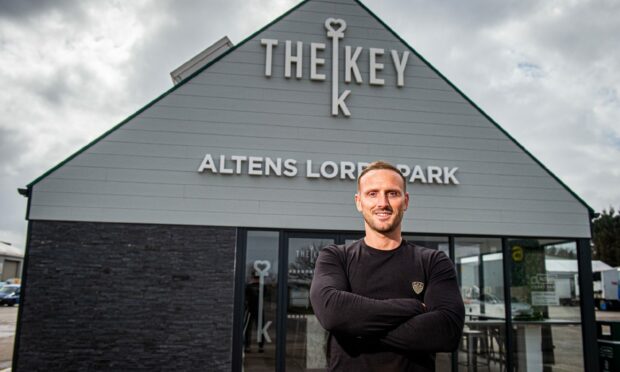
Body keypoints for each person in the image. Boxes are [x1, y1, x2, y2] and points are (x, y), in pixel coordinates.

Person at [309, 161, 464, 371]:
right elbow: (332, 313)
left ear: (406, 201)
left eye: (392, 193)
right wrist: (413, 307)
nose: (382, 203)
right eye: (372, 193)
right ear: (358, 201)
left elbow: (447, 331)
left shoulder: (433, 262)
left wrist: (355, 328)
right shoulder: (336, 257)